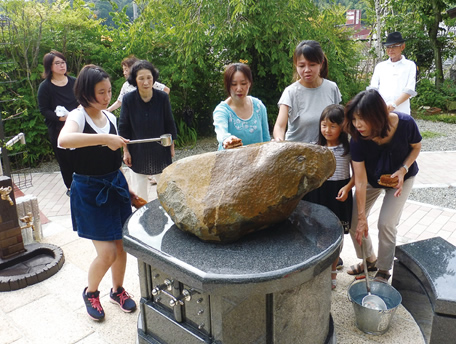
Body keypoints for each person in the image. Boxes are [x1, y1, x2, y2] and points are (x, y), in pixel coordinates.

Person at [58, 64, 137, 321]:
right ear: (85, 93)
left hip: (115, 186)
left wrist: (128, 187)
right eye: (100, 92)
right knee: (107, 253)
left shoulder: (111, 118)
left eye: (109, 91)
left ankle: (118, 291)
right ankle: (91, 292)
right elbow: (64, 141)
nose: (106, 98)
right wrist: (104, 139)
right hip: (90, 191)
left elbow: (114, 162)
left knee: (122, 246)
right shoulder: (78, 116)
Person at [344, 89, 421, 283]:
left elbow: (416, 147)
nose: (357, 125)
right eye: (354, 119)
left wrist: (403, 169)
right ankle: (369, 260)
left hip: (401, 178)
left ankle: (384, 269)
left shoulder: (405, 124)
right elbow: (360, 181)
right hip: (371, 179)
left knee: (386, 223)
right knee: (354, 222)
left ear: (378, 116)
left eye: (362, 118)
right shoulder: (357, 138)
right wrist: (362, 217)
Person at [303, 104, 354, 289]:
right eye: (324, 125)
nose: (327, 130)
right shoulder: (315, 148)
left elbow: (358, 174)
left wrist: (348, 188)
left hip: (340, 193)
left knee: (337, 235)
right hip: (319, 193)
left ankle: (332, 273)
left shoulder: (347, 149)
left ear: (343, 127)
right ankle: (317, 271)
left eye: (333, 126)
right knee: (318, 233)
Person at [118, 60, 177, 201]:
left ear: (154, 78)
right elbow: (123, 127)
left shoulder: (162, 97)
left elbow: (169, 123)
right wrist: (125, 151)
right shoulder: (128, 99)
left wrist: (172, 147)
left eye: (149, 77)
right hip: (137, 151)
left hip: (161, 150)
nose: (146, 82)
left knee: (166, 191)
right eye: (141, 78)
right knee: (140, 195)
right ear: (135, 80)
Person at [273, 40, 342, 143]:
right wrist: (279, 140)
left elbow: (339, 121)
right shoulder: (290, 92)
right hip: (296, 153)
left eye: (312, 65)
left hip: (325, 152)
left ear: (321, 63)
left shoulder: (332, 88)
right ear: (296, 66)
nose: (307, 70)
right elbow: (279, 126)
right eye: (301, 66)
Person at [37, 50, 79, 195]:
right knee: (64, 158)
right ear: (50, 66)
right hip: (58, 127)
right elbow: (44, 110)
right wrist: (61, 118)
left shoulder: (74, 82)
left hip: (77, 125)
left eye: (63, 62)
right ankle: (70, 187)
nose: (62, 66)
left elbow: (83, 99)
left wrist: (77, 112)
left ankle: (83, 182)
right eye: (58, 63)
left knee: (80, 154)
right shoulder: (45, 86)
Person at [213, 62, 270, 150]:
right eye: (234, 84)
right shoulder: (222, 111)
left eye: (243, 83)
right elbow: (221, 133)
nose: (239, 89)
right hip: (229, 161)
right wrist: (227, 139)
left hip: (257, 161)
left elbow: (266, 139)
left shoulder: (259, 106)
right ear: (228, 85)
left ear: (249, 83)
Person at [368, 31, 417, 115]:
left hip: (402, 112)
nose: (390, 50)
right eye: (388, 47)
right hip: (381, 111)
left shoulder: (410, 65)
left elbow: (409, 89)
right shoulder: (380, 66)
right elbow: (373, 89)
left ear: (402, 47)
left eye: (394, 46)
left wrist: (394, 105)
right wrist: (382, 106)